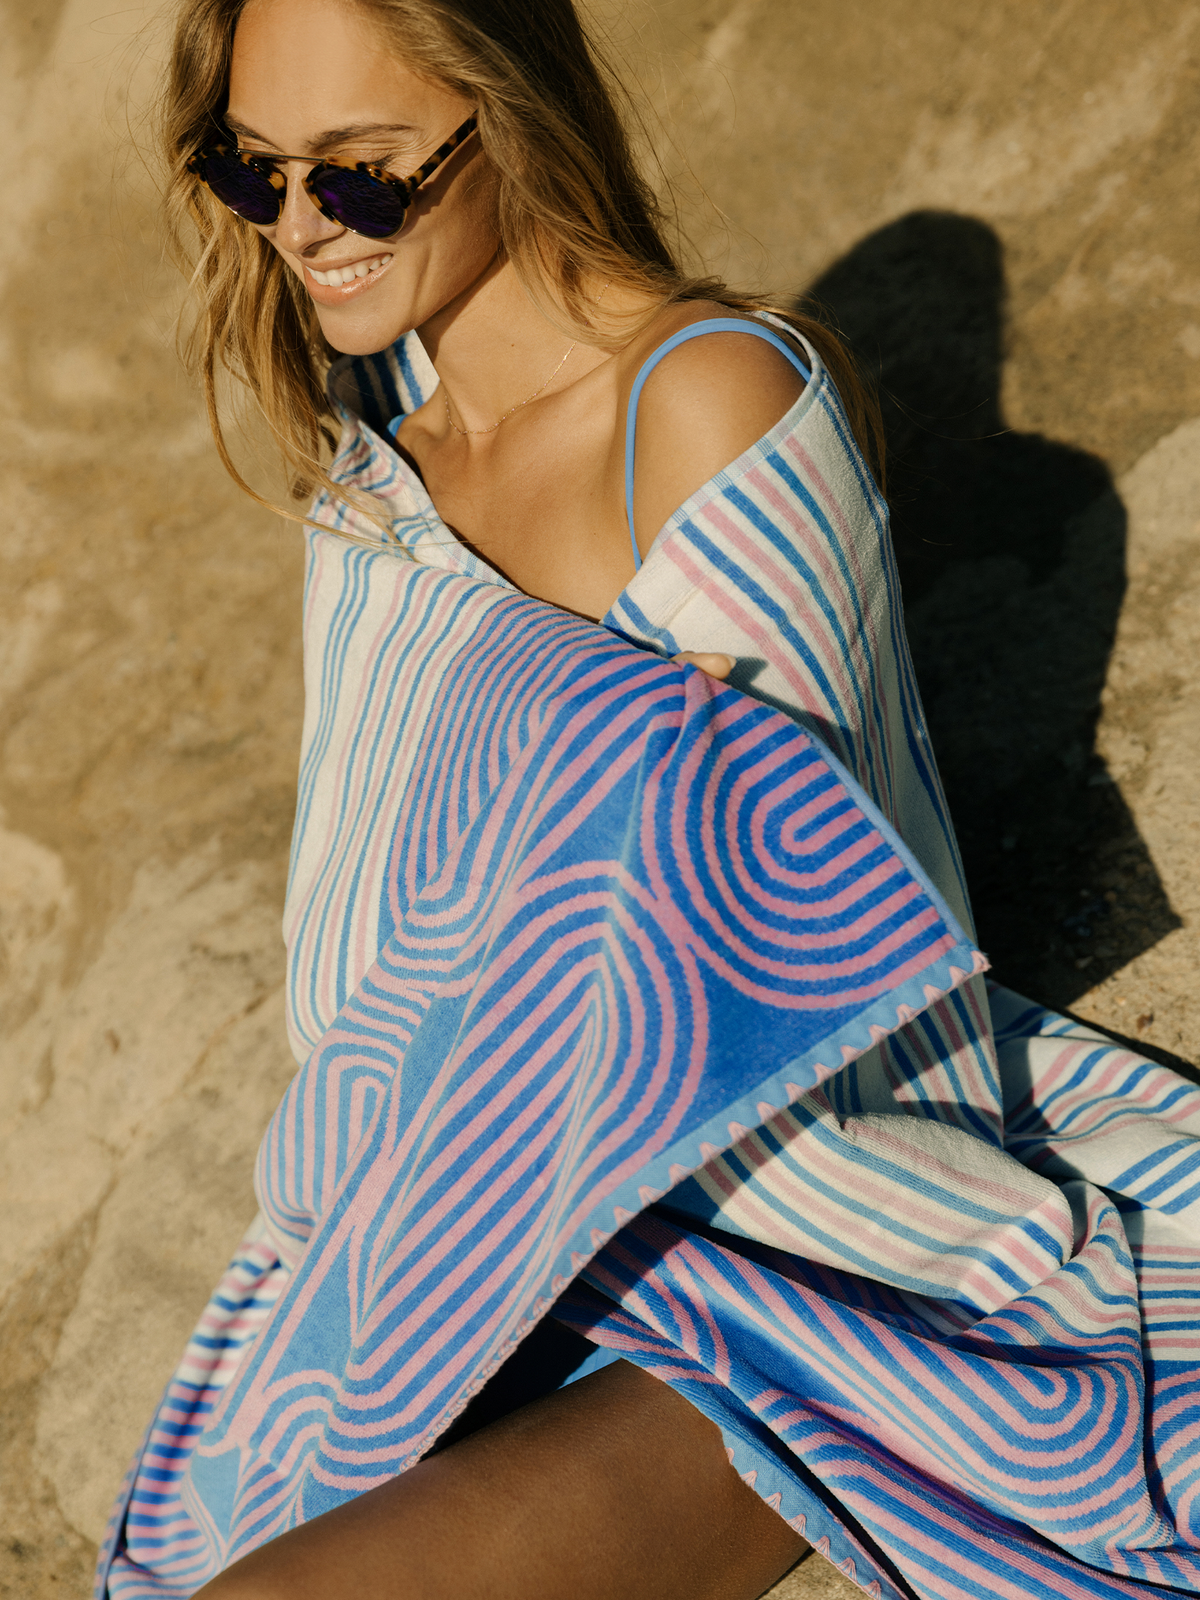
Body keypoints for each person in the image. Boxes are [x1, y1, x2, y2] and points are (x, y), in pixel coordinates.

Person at [97, 0, 1200, 1596]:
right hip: (465, 1229)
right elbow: (375, 963)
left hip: (776, 1276)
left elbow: (794, 956)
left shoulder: (706, 405)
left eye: (361, 174)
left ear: (508, 116)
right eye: (250, 170)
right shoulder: (375, 478)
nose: (301, 227)